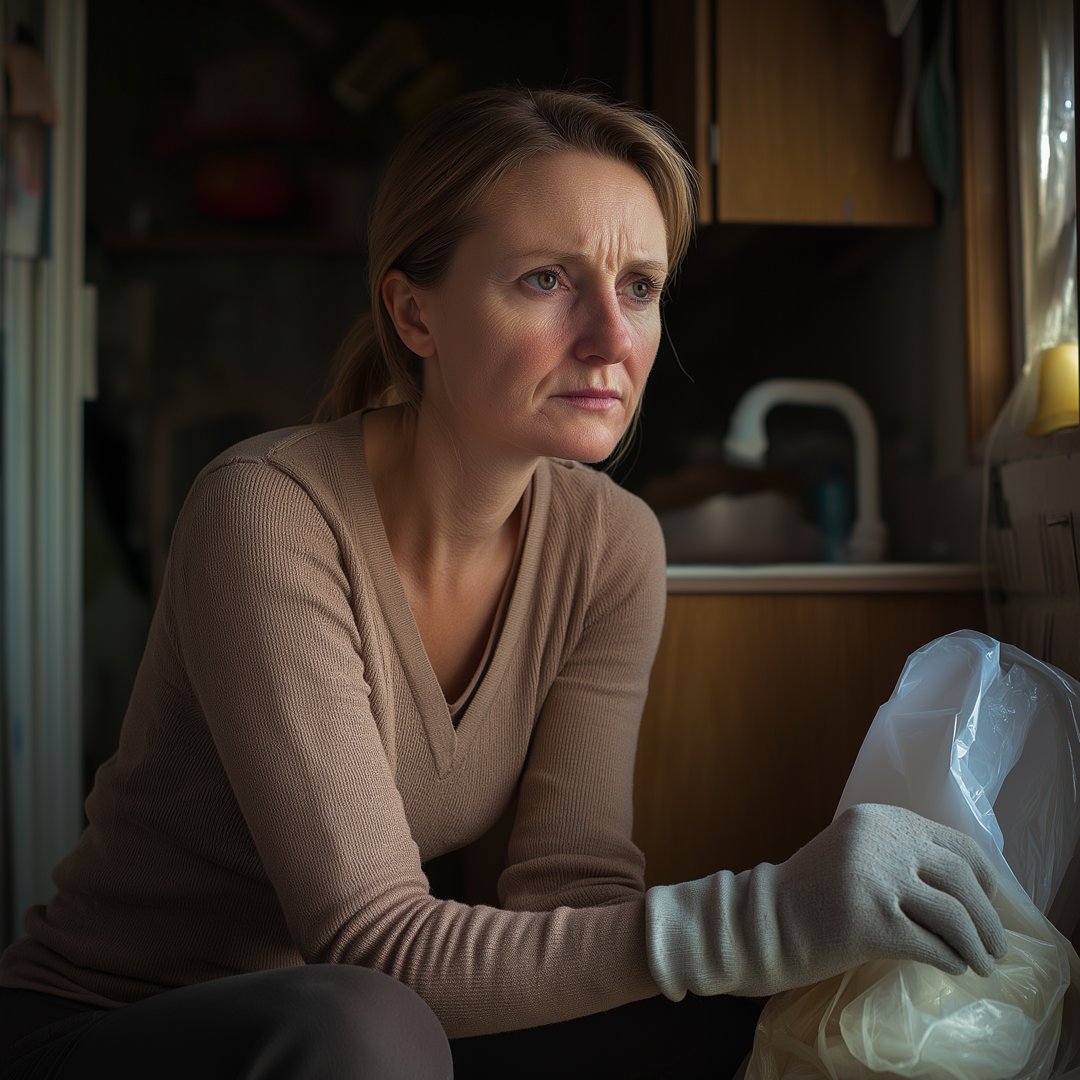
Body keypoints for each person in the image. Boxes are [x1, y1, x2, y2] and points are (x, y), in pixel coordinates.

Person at [0, 86, 1007, 1079]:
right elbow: (376, 944)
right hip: (111, 1025)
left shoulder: (612, 545)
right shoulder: (265, 511)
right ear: (415, 312)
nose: (613, 340)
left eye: (642, 287)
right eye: (544, 280)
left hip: (372, 1029)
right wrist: (770, 915)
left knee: (732, 1031)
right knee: (371, 1024)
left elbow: (569, 902)